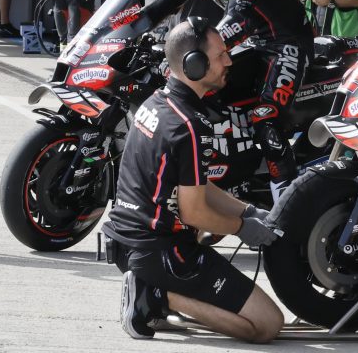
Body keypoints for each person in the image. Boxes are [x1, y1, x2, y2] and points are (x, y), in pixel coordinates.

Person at [101, 18, 283, 342]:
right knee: (267, 324)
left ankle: (154, 293)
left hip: (128, 243)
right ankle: (153, 296)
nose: (229, 61)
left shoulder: (157, 102)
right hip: (158, 252)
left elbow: (193, 184)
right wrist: (242, 228)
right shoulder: (190, 126)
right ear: (194, 65)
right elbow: (194, 212)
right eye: (220, 55)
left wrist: (246, 211)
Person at [141, 0, 313, 203]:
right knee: (207, 97)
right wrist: (123, 29)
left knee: (266, 119)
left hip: (287, 43)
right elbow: (161, 6)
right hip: (250, 43)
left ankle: (286, 205)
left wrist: (197, 52)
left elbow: (240, 18)